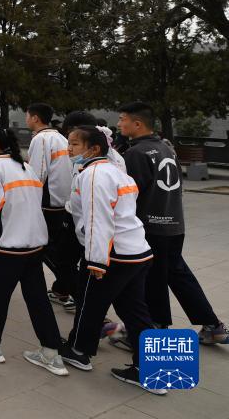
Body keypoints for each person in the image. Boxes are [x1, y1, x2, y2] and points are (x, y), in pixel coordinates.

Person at [61, 125, 163, 394]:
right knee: (135, 311)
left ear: (94, 149)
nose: (69, 149)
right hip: (136, 251)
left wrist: (96, 261)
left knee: (89, 304)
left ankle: (79, 351)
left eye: (75, 144)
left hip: (113, 254)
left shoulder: (94, 174)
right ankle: (153, 371)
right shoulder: (116, 172)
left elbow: (99, 218)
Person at [116, 101, 227, 345]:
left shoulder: (135, 153)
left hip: (152, 226)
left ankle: (155, 329)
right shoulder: (166, 146)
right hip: (174, 224)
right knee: (177, 274)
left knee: (153, 277)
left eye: (122, 119)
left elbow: (130, 193)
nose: (118, 123)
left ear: (137, 123)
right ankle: (213, 325)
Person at [0, 124, 67, 375]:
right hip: (33, 244)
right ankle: (51, 352)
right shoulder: (25, 166)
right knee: (38, 299)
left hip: (7, 246)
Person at [26, 103, 77, 314]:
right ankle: (63, 289)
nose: (27, 119)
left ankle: (74, 289)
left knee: (48, 250)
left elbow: (37, 174)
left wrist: (28, 202)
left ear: (35, 118)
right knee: (57, 249)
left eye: (28, 116)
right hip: (62, 201)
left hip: (47, 203)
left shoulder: (41, 139)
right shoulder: (59, 138)